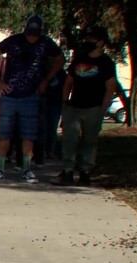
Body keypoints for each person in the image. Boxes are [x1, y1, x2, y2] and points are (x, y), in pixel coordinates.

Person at [0, 14, 65, 184]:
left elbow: (60, 59)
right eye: (29, 32)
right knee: (4, 134)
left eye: (35, 33)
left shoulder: (45, 43)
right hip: (9, 94)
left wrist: (46, 79)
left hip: (31, 95)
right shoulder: (14, 41)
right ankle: (0, 169)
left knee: (28, 134)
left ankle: (27, 169)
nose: (31, 37)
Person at [53, 26, 116, 186]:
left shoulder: (106, 62)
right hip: (74, 107)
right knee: (69, 139)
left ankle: (85, 172)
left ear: (101, 42)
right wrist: (65, 102)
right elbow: (69, 81)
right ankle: (67, 171)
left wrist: (103, 108)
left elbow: (110, 87)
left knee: (90, 141)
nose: (88, 41)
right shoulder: (79, 59)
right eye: (86, 38)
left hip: (93, 107)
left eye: (92, 39)